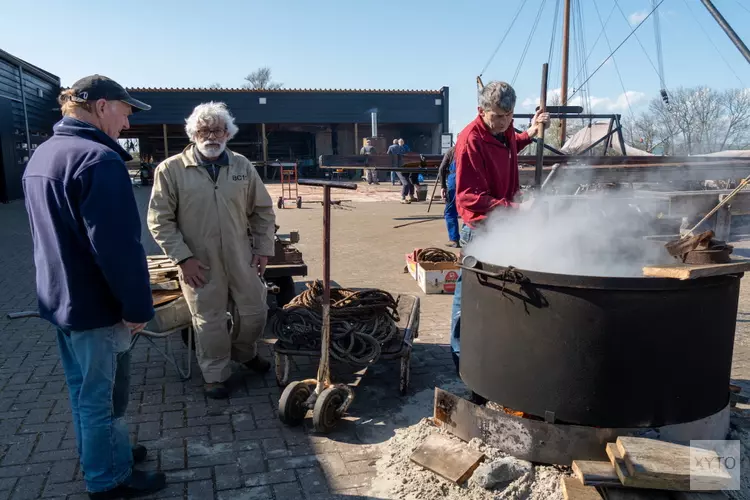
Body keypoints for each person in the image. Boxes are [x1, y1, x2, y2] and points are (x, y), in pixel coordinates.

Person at [22, 75, 166, 498]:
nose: (127, 124)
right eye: (125, 112)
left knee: (83, 390)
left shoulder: (44, 154)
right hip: (96, 306)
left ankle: (106, 452)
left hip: (60, 301)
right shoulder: (98, 161)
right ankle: (108, 480)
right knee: (103, 399)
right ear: (102, 106)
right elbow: (118, 248)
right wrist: (138, 307)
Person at [148, 102, 276, 400]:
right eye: (204, 129)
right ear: (193, 133)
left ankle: (244, 353)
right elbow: (159, 220)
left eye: (218, 129)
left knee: (256, 311)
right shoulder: (171, 170)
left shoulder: (242, 166)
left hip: (241, 255)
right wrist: (182, 258)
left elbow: (263, 211)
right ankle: (215, 373)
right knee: (209, 320)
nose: (211, 135)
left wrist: (263, 248)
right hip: (198, 261)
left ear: (228, 133)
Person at [450, 81, 549, 373]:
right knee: (468, 294)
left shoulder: (503, 128)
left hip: (504, 223)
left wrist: (529, 132)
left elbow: (509, 144)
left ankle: (498, 350)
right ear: (481, 111)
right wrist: (516, 209)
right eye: (498, 117)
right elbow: (469, 197)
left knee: (504, 286)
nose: (504, 122)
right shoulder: (470, 141)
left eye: (509, 116)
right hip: (481, 227)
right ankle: (460, 357)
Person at [438, 146, 459, 247]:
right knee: (470, 210)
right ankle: (468, 240)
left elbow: (442, 168)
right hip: (471, 182)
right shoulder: (476, 148)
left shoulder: (452, 150)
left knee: (450, 211)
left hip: (454, 181)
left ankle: (454, 239)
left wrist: (443, 186)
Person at [388, 139, 416, 204]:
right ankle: (404, 197)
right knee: (406, 182)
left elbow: (388, 155)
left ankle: (410, 196)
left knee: (408, 182)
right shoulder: (404, 147)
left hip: (399, 166)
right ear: (398, 142)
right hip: (402, 166)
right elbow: (408, 154)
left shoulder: (393, 147)